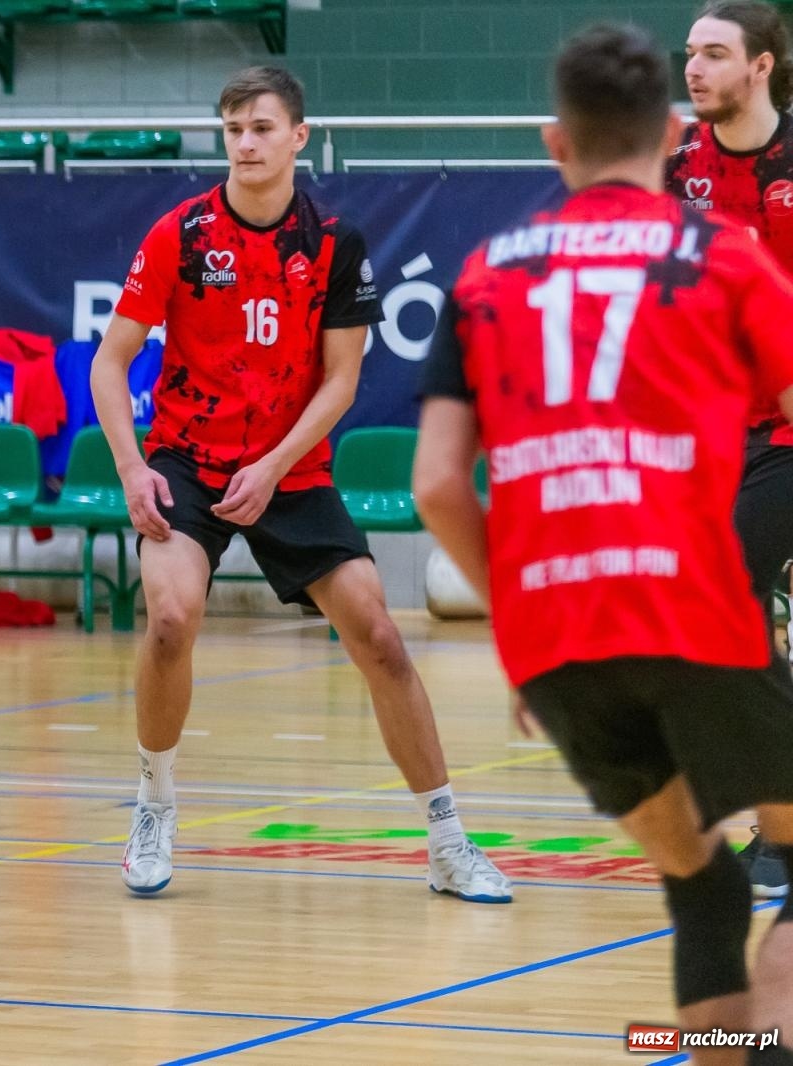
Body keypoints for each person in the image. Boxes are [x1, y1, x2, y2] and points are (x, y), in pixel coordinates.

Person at [415, 24, 793, 1060]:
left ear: (553, 144)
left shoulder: (487, 273)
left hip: (557, 641)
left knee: (702, 879)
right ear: (671, 136)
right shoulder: (717, 253)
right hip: (691, 606)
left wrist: (519, 622)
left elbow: (438, 484)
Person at [90, 66, 511, 904]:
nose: (245, 142)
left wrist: (274, 465)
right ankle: (154, 806)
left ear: (298, 137)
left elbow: (342, 381)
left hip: (289, 465)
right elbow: (110, 360)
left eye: (261, 127)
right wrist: (134, 469)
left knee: (382, 638)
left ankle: (446, 840)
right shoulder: (179, 233)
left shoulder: (333, 242)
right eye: (233, 128)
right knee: (171, 619)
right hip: (184, 459)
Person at [666, 0, 793, 899]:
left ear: (764, 66)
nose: (694, 68)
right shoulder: (678, 173)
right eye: (688, 54)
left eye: (714, 53)